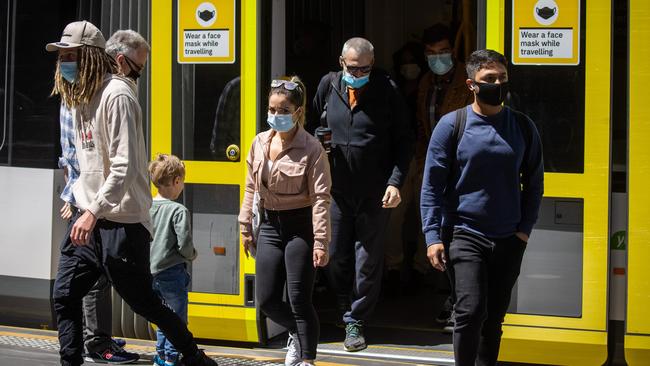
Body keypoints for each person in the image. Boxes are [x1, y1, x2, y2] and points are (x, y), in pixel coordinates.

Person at [47, 21, 217, 366]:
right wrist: (80, 203)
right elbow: (86, 163)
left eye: (70, 55)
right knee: (64, 295)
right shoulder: (78, 95)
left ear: (92, 57)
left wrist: (93, 212)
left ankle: (193, 356)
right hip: (90, 217)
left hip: (121, 222)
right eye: (61, 55)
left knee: (144, 303)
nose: (64, 62)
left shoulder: (117, 95)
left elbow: (123, 167)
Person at [420, 49, 544, 366]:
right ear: (472, 84)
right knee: (470, 311)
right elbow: (432, 185)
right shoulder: (452, 126)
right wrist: (433, 236)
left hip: (508, 239)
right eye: (490, 79)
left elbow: (534, 183)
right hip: (463, 234)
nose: (498, 84)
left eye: (502, 78)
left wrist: (523, 233)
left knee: (493, 319)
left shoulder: (523, 127)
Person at [310, 37, 414, 352]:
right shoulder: (329, 85)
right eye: (353, 67)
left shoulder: (387, 89)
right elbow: (312, 122)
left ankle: (356, 320)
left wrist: (396, 181)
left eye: (365, 68)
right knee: (336, 254)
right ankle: (344, 305)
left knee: (367, 258)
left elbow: (404, 141)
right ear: (342, 62)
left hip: (375, 192)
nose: (359, 72)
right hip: (336, 190)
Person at [238, 76, 331, 366]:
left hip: (301, 226)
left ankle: (307, 358)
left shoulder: (312, 148)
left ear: (298, 112)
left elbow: (321, 198)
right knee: (265, 300)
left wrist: (321, 241)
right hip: (269, 225)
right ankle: (295, 332)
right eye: (272, 110)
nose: (275, 116)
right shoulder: (259, 143)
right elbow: (251, 188)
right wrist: (245, 228)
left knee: (299, 298)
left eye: (282, 110)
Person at [57, 104, 136, 363]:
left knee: (90, 281)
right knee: (90, 282)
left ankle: (94, 341)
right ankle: (97, 342)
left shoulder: (89, 99)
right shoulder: (74, 103)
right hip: (88, 206)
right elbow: (73, 158)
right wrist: (75, 200)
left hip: (92, 204)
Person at [416, 23, 475, 327]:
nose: (437, 58)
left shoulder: (468, 81)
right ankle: (451, 296)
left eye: (442, 52)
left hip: (461, 171)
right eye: (431, 53)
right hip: (435, 168)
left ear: (453, 51)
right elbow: (422, 126)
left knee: (456, 238)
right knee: (439, 234)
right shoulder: (426, 82)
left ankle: (457, 300)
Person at [148, 154, 197, 366]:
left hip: (150, 272)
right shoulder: (178, 211)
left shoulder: (147, 206)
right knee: (176, 318)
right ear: (177, 181)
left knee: (162, 317)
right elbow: (184, 244)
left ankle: (160, 355)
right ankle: (171, 356)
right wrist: (192, 255)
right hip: (171, 271)